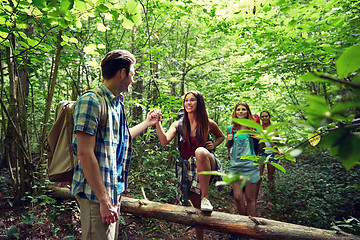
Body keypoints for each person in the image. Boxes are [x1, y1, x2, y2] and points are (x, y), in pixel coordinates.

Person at [71, 50, 162, 240]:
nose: (133, 79)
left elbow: (123, 138)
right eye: (132, 74)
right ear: (122, 72)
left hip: (113, 191)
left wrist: (147, 123)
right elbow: (85, 153)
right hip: (95, 196)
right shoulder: (91, 101)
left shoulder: (117, 103)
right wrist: (104, 201)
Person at [154, 90, 225, 240]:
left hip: (207, 162)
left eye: (192, 100)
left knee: (200, 151)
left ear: (199, 103)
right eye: (186, 100)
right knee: (199, 210)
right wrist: (157, 123)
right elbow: (164, 140)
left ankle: (206, 196)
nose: (188, 103)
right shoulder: (178, 124)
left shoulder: (208, 123)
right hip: (189, 170)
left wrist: (213, 144)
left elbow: (221, 136)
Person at [226, 102, 260, 216]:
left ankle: (249, 228)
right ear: (235, 112)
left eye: (243, 109)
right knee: (237, 197)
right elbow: (228, 146)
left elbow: (262, 149)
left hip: (250, 165)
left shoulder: (253, 128)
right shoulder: (231, 128)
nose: (240, 111)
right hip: (235, 165)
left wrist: (259, 139)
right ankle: (244, 223)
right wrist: (228, 139)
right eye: (238, 109)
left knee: (250, 199)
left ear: (247, 112)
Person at [259, 110, 278, 196]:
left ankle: (271, 197)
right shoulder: (258, 127)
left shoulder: (274, 127)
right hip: (261, 154)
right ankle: (256, 196)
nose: (264, 118)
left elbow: (277, 141)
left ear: (269, 117)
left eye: (266, 116)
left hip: (272, 154)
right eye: (262, 116)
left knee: (271, 177)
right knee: (258, 176)